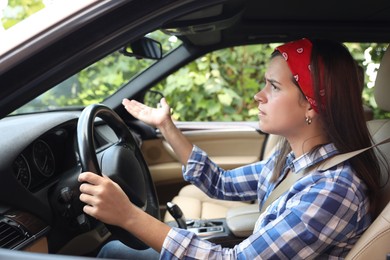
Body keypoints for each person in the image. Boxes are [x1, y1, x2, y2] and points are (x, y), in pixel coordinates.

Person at [78, 38, 382, 259]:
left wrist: (129, 216)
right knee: (113, 251)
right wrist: (166, 126)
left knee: (112, 252)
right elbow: (221, 183)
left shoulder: (332, 190)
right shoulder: (293, 159)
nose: (257, 96)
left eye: (273, 87)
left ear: (312, 105)